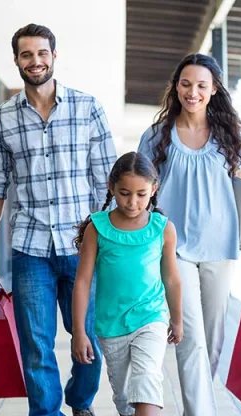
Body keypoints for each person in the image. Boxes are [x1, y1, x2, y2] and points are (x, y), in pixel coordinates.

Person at [0, 23, 117, 416]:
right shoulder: (1, 119)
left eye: (41, 53)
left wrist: (107, 239)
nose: (34, 61)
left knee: (87, 336)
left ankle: (81, 400)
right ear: (17, 61)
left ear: (54, 56)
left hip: (82, 245)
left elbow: (107, 180)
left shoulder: (87, 108)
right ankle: (46, 412)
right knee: (37, 344)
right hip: (30, 248)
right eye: (26, 55)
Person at [137, 53, 241, 415]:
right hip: (174, 251)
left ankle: (196, 408)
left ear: (214, 89)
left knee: (214, 339)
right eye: (186, 84)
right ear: (176, 86)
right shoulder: (157, 137)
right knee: (191, 338)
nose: (192, 92)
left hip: (221, 247)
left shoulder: (229, 137)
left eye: (202, 85)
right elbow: (139, 194)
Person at [70, 151, 183, 416]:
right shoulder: (96, 229)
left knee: (146, 382)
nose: (132, 202)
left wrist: (176, 319)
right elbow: (83, 282)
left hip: (150, 317)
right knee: (124, 399)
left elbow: (171, 278)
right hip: (111, 327)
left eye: (141, 194)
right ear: (111, 187)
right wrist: (79, 332)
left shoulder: (163, 228)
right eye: (124, 193)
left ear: (153, 190)